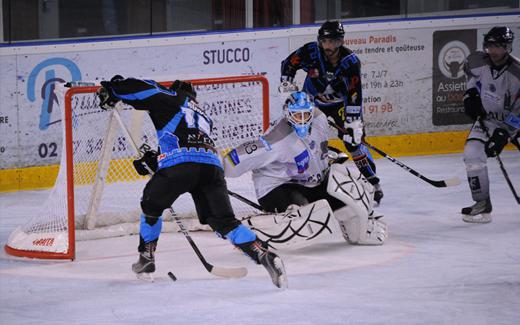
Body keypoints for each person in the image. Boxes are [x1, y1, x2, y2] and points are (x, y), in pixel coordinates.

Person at [96, 75, 287, 288]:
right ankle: (264, 254)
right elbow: (187, 143)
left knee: (151, 206)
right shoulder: (203, 117)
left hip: (180, 165)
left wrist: (113, 89)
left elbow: (143, 88)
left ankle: (146, 258)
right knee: (224, 222)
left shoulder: (171, 97)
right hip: (212, 169)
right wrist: (156, 160)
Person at [223, 91, 387, 246]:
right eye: (297, 115)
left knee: (348, 206)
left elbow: (320, 146)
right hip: (278, 186)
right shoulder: (276, 140)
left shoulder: (319, 119)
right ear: (288, 114)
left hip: (312, 182)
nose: (302, 120)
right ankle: (254, 230)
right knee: (304, 217)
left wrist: (349, 135)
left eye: (305, 114)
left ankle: (353, 226)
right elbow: (233, 160)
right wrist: (214, 171)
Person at [279, 20, 384, 205]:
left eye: (334, 41)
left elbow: (354, 93)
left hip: (339, 105)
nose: (329, 46)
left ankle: (372, 181)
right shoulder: (309, 52)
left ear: (341, 41)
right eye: (326, 41)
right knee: (302, 139)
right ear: (320, 40)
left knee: (353, 143)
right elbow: (289, 64)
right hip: (311, 103)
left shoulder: (349, 62)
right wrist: (288, 87)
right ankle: (302, 180)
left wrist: (353, 124)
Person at [462, 26, 519, 223]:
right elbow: (471, 81)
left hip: (514, 122)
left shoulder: (517, 73)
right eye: (490, 46)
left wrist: (504, 134)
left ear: (507, 47)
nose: (493, 51)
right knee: (472, 154)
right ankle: (482, 203)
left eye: (498, 47)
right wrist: (470, 96)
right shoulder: (477, 61)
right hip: (489, 120)